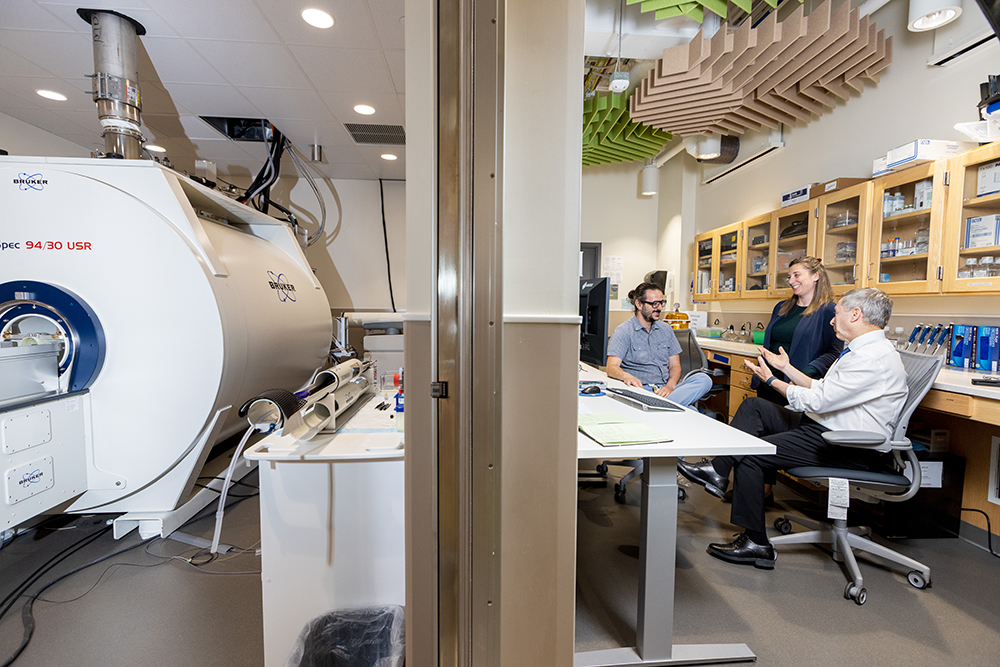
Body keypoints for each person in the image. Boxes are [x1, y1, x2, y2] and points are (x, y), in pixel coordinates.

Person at [677, 288, 907, 568]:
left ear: (855, 315)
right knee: (755, 407)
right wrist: (785, 368)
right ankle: (718, 471)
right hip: (826, 427)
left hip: (846, 444)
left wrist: (773, 382)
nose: (832, 321)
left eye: (836, 315)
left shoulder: (871, 358)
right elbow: (824, 389)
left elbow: (819, 401)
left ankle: (756, 544)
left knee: (751, 454)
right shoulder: (862, 350)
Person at [606, 282, 712, 408]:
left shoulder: (666, 329)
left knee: (704, 379)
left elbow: (675, 366)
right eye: (655, 304)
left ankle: (660, 406)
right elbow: (611, 367)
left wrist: (670, 386)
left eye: (661, 303)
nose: (660, 308)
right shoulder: (623, 331)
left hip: (665, 390)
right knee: (692, 411)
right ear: (639, 304)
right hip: (642, 390)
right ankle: (663, 406)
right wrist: (627, 377)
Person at [755, 256, 842, 405]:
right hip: (767, 379)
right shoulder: (781, 307)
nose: (791, 281)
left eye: (796, 275)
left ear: (815, 276)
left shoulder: (828, 310)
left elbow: (833, 353)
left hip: (794, 384)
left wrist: (803, 375)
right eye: (789, 277)